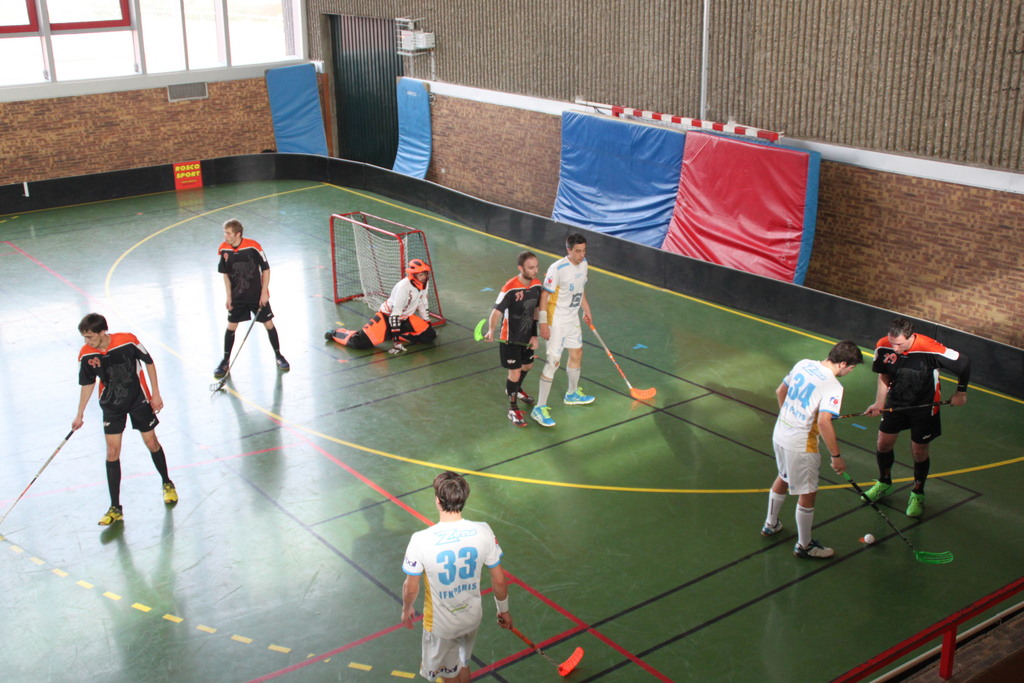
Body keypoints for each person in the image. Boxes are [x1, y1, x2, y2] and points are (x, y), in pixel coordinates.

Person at [401, 472, 512, 682]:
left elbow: (410, 587)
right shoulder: (484, 530)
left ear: (437, 500)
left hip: (442, 626)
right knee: (463, 664)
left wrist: (407, 608)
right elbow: (499, 580)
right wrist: (503, 610)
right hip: (471, 619)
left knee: (448, 674)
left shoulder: (420, 540)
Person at [761, 340, 863, 559]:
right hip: (801, 445)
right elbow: (824, 422)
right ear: (843, 364)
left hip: (780, 432)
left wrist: (791, 416)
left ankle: (771, 524)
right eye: (852, 368)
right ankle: (804, 545)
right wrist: (836, 456)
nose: (850, 372)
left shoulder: (803, 364)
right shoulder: (834, 386)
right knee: (808, 494)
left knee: (784, 476)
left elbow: (780, 391)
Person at [73, 313, 178, 526]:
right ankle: (115, 508)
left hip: (138, 399)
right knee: (112, 452)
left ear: (103, 331)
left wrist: (155, 393)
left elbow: (149, 362)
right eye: (84, 337)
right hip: (111, 404)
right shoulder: (86, 354)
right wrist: (80, 413)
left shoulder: (127, 340)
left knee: (151, 442)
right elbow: (88, 383)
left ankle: (167, 483)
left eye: (90, 336)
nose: (87, 341)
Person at [862, 317, 970, 518]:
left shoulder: (929, 348)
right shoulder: (883, 346)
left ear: (910, 337)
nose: (895, 348)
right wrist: (879, 403)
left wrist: (961, 392)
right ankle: (884, 483)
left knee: (919, 451)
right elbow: (884, 375)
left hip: (924, 407)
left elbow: (963, 362)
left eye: (899, 344)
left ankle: (917, 493)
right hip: (895, 404)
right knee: (883, 444)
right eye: (892, 343)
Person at [531, 233, 594, 428]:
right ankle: (539, 408)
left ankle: (572, 394)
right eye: (578, 251)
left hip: (572, 318)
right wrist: (543, 323)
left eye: (584, 251)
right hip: (556, 320)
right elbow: (544, 296)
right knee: (554, 362)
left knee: (577, 353)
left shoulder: (584, 264)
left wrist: (586, 309)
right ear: (568, 250)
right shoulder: (557, 268)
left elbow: (580, 289)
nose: (581, 255)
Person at [214, 218, 289, 378]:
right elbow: (225, 274)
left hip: (256, 295)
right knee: (231, 327)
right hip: (237, 297)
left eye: (228, 233)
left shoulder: (253, 247)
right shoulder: (223, 249)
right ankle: (225, 361)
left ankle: (279, 356)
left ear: (238, 234)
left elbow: (266, 269)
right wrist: (228, 296)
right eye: (225, 233)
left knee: (269, 324)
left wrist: (264, 292)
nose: (225, 236)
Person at [326, 259, 438, 354]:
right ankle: (336, 333)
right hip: (387, 317)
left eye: (425, 274)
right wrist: (396, 341)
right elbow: (394, 315)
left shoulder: (424, 283)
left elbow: (422, 302)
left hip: (405, 318)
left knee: (429, 336)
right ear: (413, 275)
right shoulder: (403, 287)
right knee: (360, 343)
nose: (424, 277)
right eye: (421, 275)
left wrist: (427, 322)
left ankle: (392, 334)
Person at [484, 251, 542, 427]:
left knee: (528, 366)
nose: (535, 271)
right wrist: (491, 330)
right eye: (531, 268)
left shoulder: (537, 285)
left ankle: (516, 388)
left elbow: (536, 310)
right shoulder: (509, 287)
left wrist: (534, 334)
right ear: (520, 268)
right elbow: (496, 311)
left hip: (527, 337)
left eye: (536, 267)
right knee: (514, 373)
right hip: (509, 338)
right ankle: (513, 409)